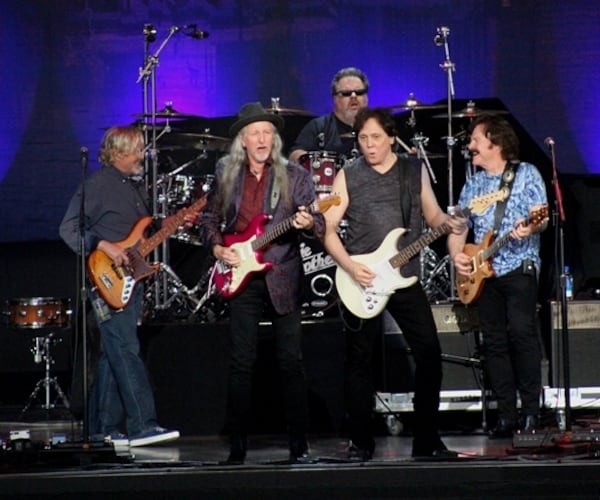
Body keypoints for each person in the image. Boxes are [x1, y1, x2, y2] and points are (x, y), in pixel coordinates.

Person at [322, 107, 467, 460]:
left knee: (429, 354)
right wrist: (351, 267)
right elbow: (326, 229)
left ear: (391, 138)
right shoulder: (348, 174)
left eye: (375, 138)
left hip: (404, 277)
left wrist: (453, 223)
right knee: (360, 361)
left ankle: (427, 440)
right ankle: (360, 442)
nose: (369, 146)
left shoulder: (411, 170)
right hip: (362, 278)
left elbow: (433, 216)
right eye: (362, 139)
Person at [200, 102, 325, 464]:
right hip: (241, 273)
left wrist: (308, 224)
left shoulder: (295, 175)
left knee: (291, 362)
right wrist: (218, 247)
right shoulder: (226, 171)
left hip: (282, 274)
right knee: (242, 363)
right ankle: (237, 447)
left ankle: (298, 446)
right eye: (255, 132)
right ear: (242, 138)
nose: (262, 138)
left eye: (268, 132)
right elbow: (209, 218)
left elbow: (318, 223)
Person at [59, 126, 180, 447]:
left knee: (113, 353)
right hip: (105, 282)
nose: (143, 156)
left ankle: (103, 428)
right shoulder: (96, 186)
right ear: (117, 153)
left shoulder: (134, 188)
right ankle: (143, 424)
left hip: (130, 282)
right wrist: (104, 246)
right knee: (126, 349)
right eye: (137, 149)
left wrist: (170, 227)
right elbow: (68, 230)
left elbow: (138, 241)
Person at [447, 113, 548, 438]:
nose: (471, 146)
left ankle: (531, 412)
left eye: (476, 139)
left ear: (495, 141)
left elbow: (541, 218)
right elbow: (458, 227)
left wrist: (531, 227)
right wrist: (458, 256)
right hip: (484, 274)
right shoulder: (474, 184)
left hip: (519, 266)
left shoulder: (526, 174)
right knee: (493, 343)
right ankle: (506, 415)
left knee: (521, 334)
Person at [288, 66, 369, 164]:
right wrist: (318, 163)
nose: (353, 96)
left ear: (366, 97)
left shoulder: (377, 126)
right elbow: (295, 154)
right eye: (346, 93)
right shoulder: (319, 126)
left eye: (359, 92)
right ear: (335, 98)